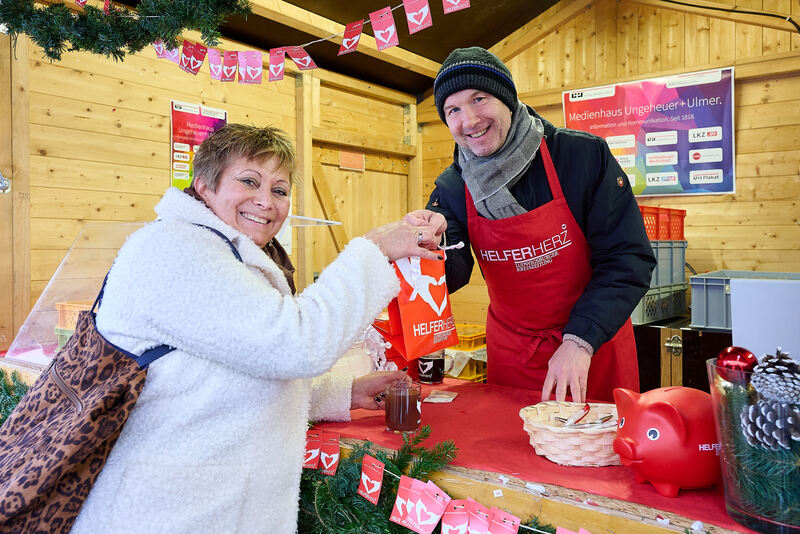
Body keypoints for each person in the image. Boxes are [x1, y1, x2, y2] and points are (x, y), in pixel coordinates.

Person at [69, 124, 446, 534]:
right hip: (164, 512)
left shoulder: (230, 252)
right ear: (204, 187)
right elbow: (295, 344)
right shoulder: (175, 249)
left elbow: (235, 375)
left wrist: (344, 392)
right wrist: (373, 249)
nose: (266, 202)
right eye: (249, 181)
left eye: (280, 190)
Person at [425, 47, 656, 403]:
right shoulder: (453, 187)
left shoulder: (580, 157)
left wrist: (580, 340)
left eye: (479, 98)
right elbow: (451, 274)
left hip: (593, 346)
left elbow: (627, 260)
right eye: (452, 109)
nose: (468, 120)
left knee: (601, 451)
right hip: (514, 354)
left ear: (507, 98)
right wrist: (428, 248)